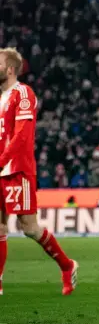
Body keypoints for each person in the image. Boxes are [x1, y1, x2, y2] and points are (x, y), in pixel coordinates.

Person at [0, 47, 78, 296]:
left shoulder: (23, 94)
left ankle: (67, 265)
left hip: (16, 170)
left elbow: (22, 136)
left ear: (10, 69)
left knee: (29, 228)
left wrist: (2, 161)